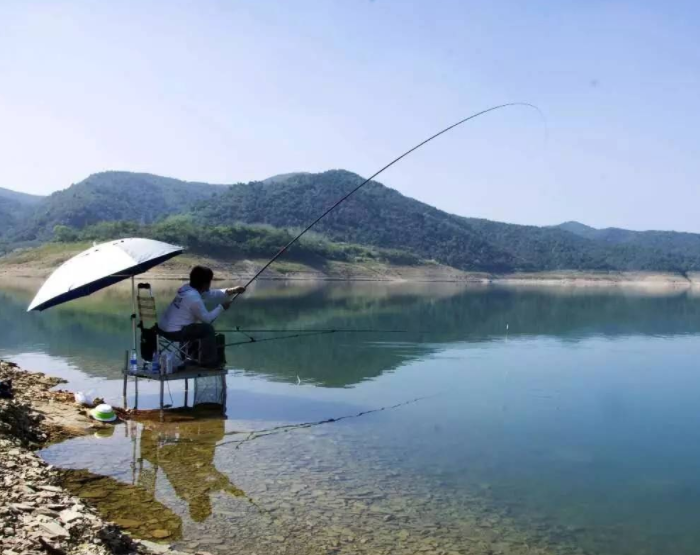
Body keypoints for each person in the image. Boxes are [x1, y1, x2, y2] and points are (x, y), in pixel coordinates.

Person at [158, 266, 245, 367]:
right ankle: (207, 362)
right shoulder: (193, 298)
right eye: (209, 281)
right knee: (207, 329)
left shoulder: (186, 289)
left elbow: (210, 294)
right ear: (205, 284)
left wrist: (232, 290)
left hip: (163, 329)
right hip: (174, 333)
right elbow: (207, 319)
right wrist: (221, 307)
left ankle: (190, 357)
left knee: (194, 326)